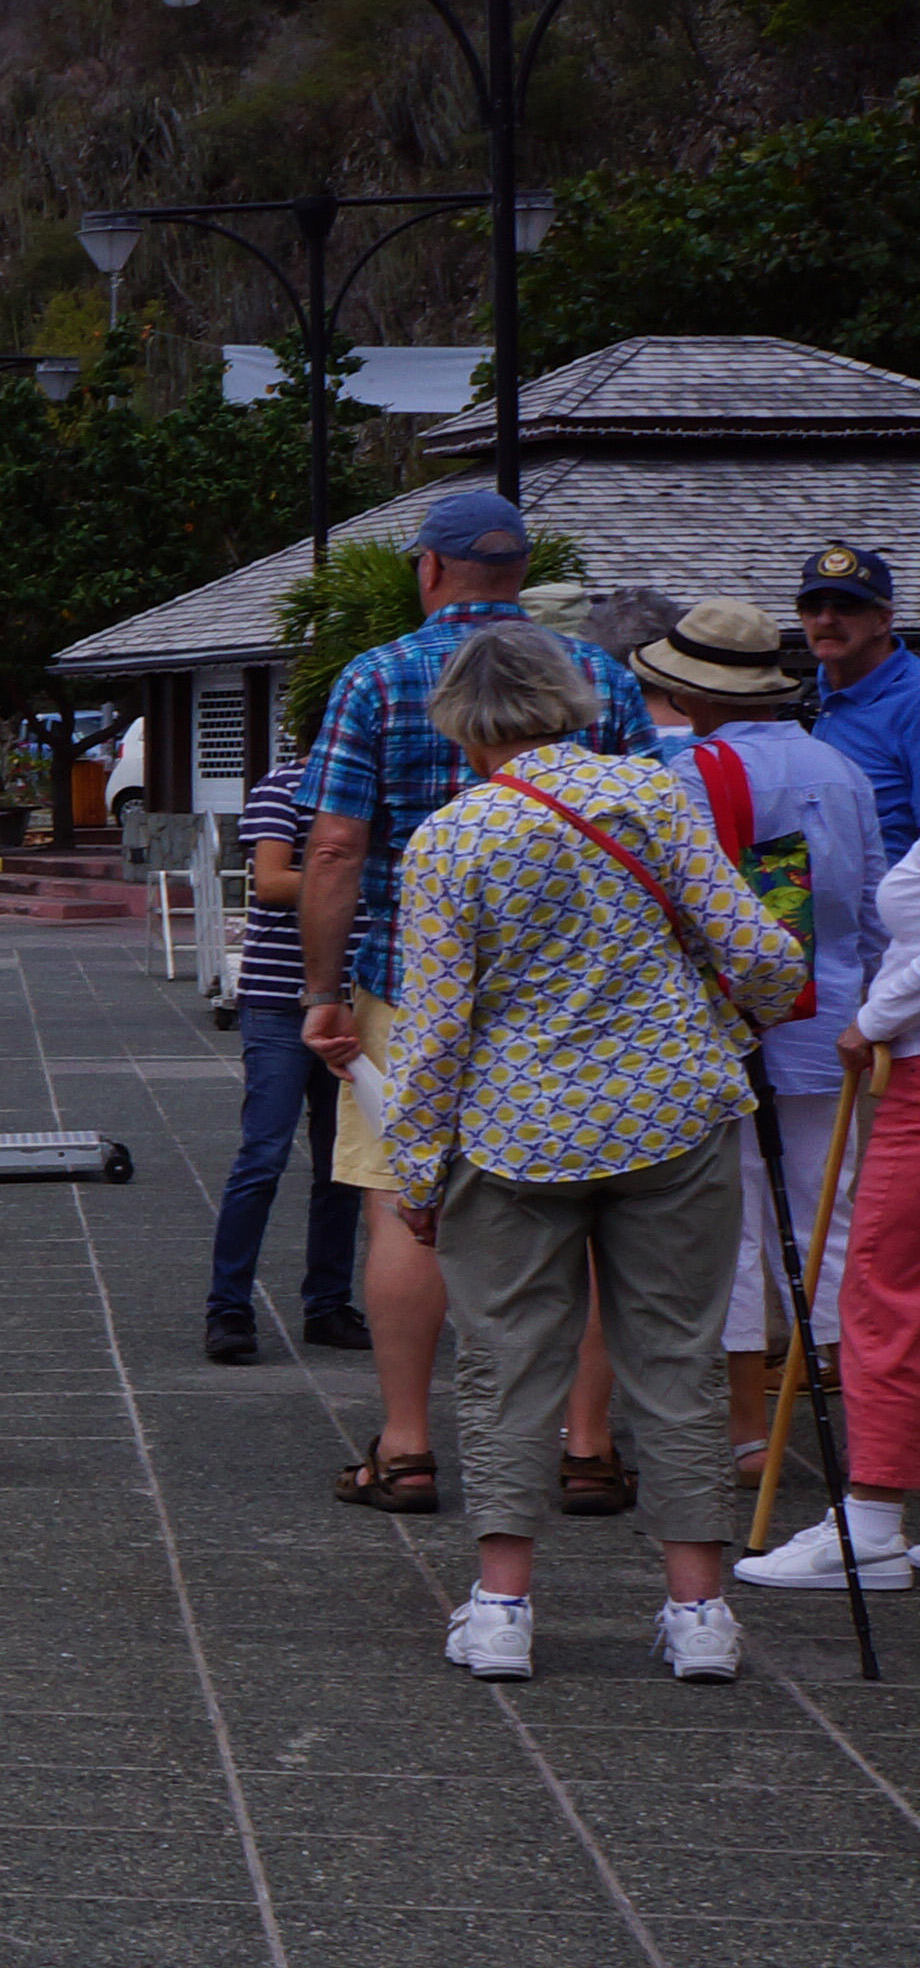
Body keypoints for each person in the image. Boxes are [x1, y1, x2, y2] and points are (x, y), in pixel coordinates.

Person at [373, 624, 804, 1678]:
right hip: (672, 1113)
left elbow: (433, 1035)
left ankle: (503, 1607)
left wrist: (418, 1172)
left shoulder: (451, 841)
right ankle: (700, 1612)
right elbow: (759, 953)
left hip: (516, 1131)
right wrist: (763, 996)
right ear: (569, 699)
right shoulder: (653, 796)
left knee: (508, 1359)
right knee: (678, 1354)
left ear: (464, 727)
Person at [301, 489, 654, 1510]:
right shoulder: (598, 675)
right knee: (588, 1207)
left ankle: (407, 1444)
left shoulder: (375, 676)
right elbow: (639, 825)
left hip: (409, 984)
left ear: (428, 568)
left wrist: (322, 991)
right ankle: (586, 1446)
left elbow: (333, 846)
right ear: (520, 569)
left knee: (402, 1210)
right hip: (572, 995)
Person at [630, 600, 880, 1499]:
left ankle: (745, 1432)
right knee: (834, 1224)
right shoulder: (839, 764)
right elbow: (874, 907)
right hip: (837, 1021)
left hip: (730, 1029)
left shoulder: (692, 771)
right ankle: (868, 1433)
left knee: (730, 1229)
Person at [201, 745, 367, 1365]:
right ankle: (228, 1309)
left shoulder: (378, 788)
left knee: (343, 1166)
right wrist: (353, 874)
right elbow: (269, 882)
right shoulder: (286, 785)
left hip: (359, 997)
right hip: (279, 999)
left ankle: (328, 1304)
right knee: (262, 1157)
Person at [797, 539, 920, 859]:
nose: (826, 620)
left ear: (883, 619)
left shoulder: (913, 703)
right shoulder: (810, 695)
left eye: (846, 606)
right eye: (813, 606)